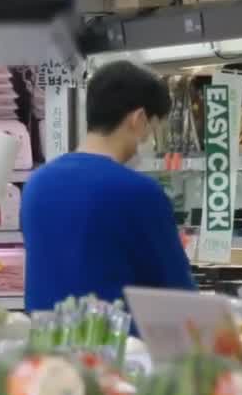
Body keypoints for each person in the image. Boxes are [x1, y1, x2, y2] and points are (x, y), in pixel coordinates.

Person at [21, 61, 196, 316]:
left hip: (47, 338)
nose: (149, 140)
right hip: (119, 339)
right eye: (153, 129)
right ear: (138, 119)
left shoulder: (37, 184)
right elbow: (179, 294)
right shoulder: (139, 192)